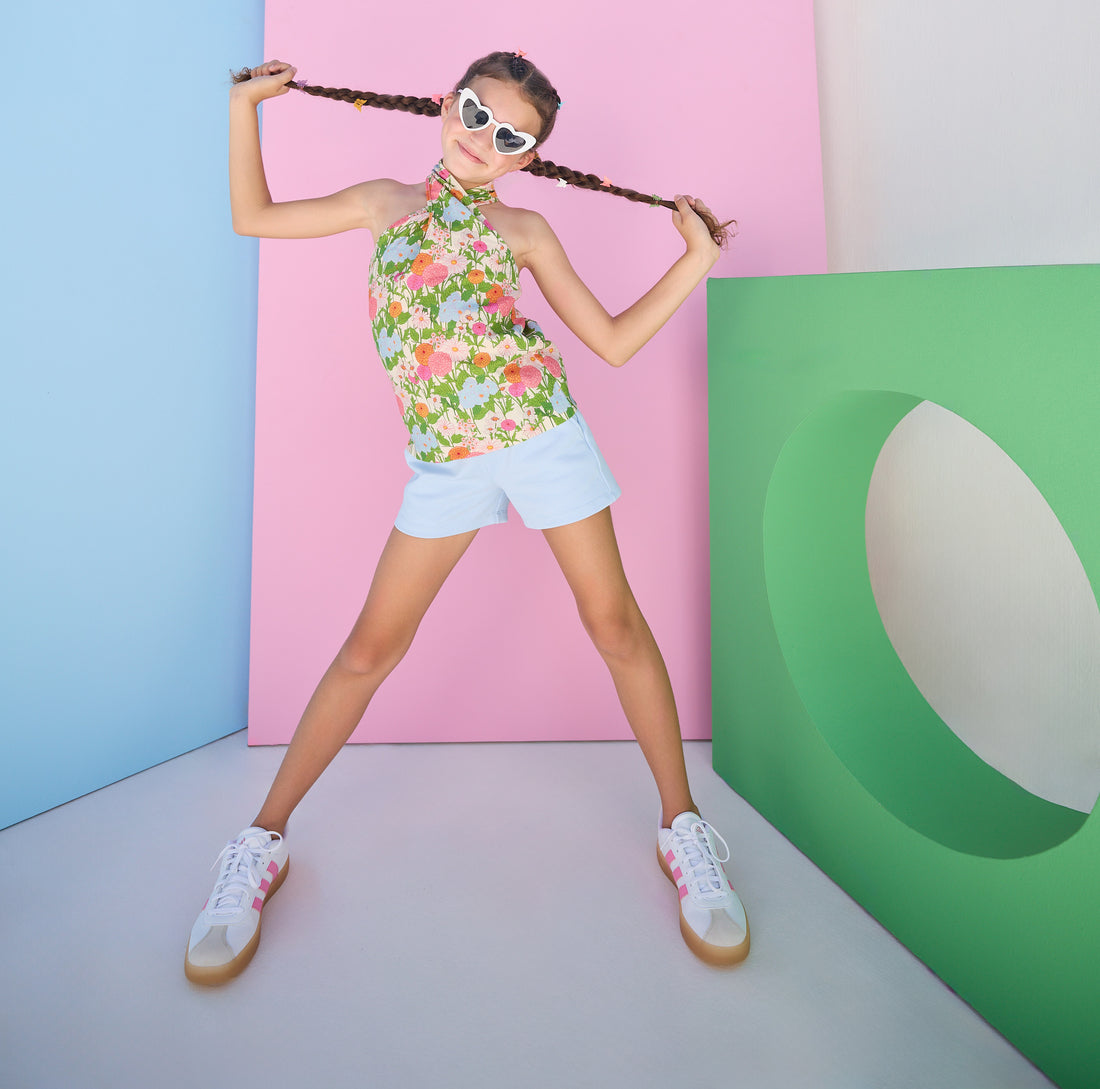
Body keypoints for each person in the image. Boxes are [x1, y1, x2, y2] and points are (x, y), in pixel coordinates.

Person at [184, 49, 749, 985]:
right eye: (476, 115)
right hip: (445, 460)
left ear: (530, 157)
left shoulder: (525, 227)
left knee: (614, 624)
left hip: (540, 434)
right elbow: (254, 217)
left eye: (512, 136)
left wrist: (695, 260)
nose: (486, 140)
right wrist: (246, 109)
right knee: (370, 648)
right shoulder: (381, 204)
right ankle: (260, 843)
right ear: (448, 104)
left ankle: (683, 826)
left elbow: (607, 342)